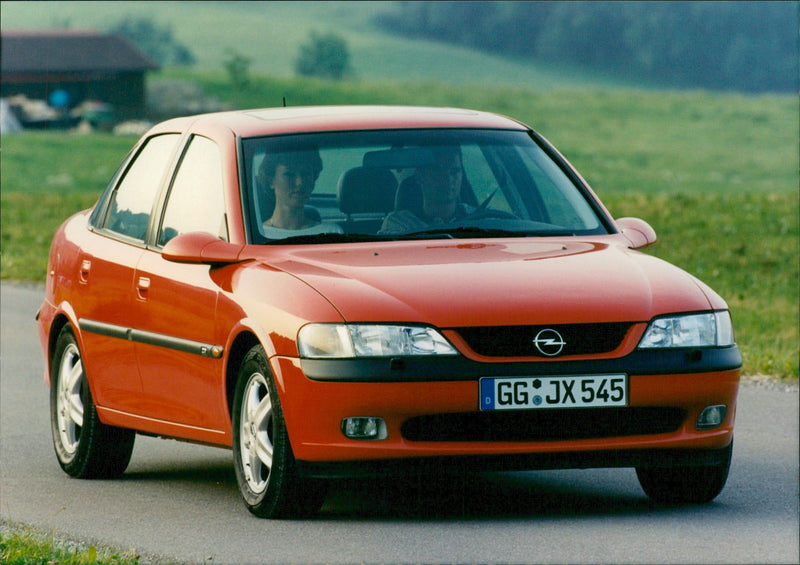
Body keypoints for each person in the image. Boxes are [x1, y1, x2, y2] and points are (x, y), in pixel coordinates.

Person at [379, 146, 474, 234]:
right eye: (438, 172)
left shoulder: (478, 218)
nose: (448, 179)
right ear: (419, 176)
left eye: (455, 171)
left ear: (462, 176)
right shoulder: (399, 223)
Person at [256, 148, 343, 239]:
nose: (300, 182)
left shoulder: (332, 233)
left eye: (306, 174)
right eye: (289, 174)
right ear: (271, 181)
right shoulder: (258, 235)